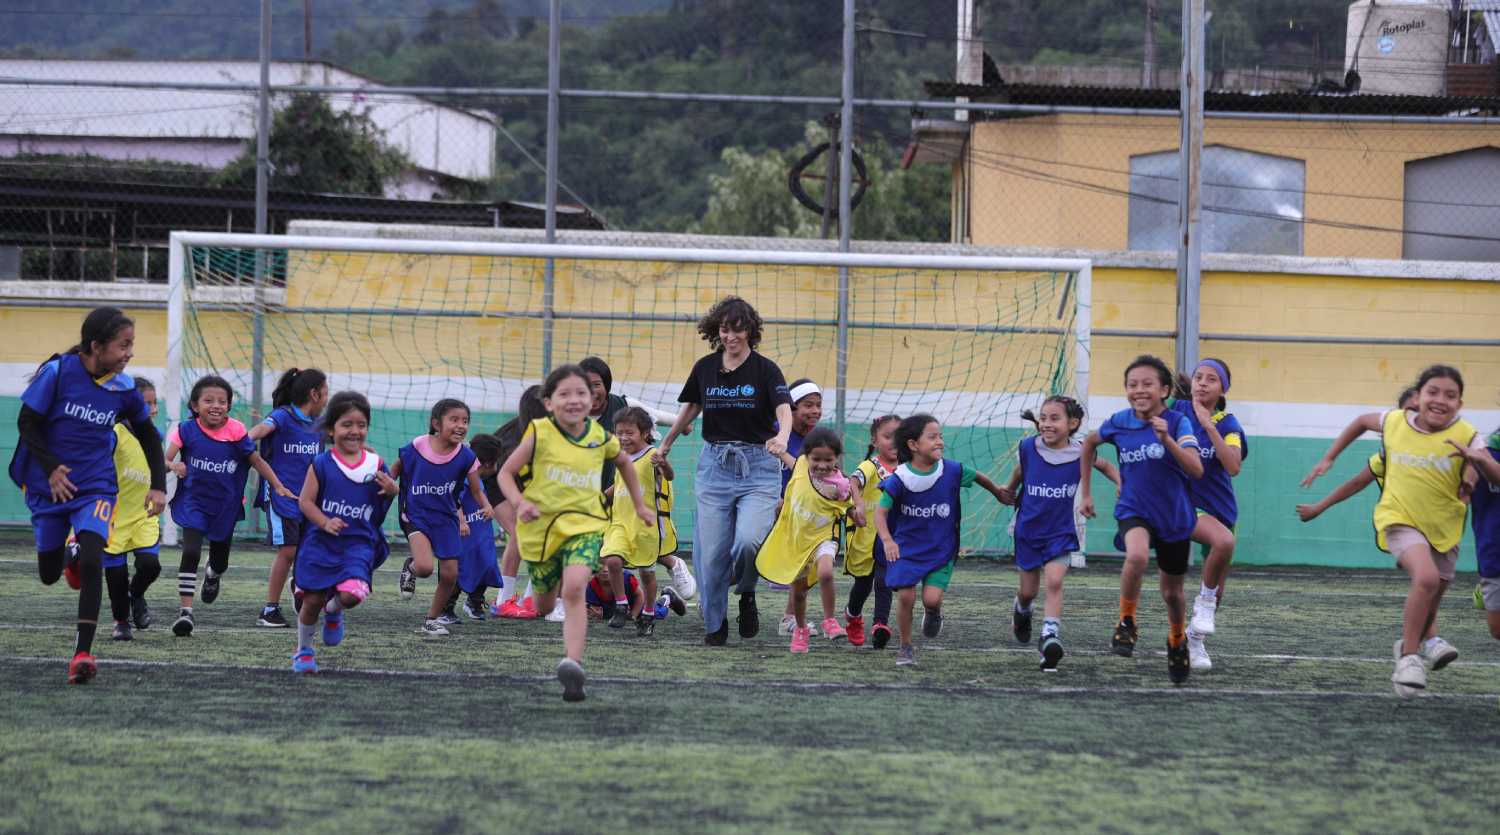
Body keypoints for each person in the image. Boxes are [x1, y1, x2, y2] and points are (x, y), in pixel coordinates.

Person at [1300, 365, 1479, 698]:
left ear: (1460, 403)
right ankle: (1411, 656)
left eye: (1450, 395)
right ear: (1416, 400)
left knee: (1434, 591)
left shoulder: (1465, 435)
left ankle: (1419, 642)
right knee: (1424, 578)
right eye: (1431, 394)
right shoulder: (1392, 432)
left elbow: (1477, 460)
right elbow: (1356, 467)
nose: (1439, 401)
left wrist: (1470, 477)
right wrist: (1328, 459)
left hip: (1444, 527)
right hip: (1399, 520)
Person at [10, 307, 166, 683]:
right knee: (49, 574)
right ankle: (68, 556)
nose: (129, 353)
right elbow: (26, 421)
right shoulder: (58, 372)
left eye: (132, 345)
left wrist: (159, 486)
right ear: (96, 346)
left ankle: (83, 652)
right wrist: (50, 468)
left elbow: (147, 435)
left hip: (96, 485)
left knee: (96, 555)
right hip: (49, 485)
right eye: (123, 345)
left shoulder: (123, 387)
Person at [499, 364, 654, 702]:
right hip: (542, 532)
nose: (574, 400)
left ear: (593, 399)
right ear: (549, 402)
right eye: (564, 394)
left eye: (581, 393)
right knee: (542, 604)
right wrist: (519, 501)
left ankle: (572, 663)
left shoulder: (600, 436)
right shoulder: (539, 433)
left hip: (585, 527)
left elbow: (626, 463)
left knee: (573, 590)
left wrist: (641, 506)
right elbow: (506, 474)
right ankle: (544, 603)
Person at [659, 296, 792, 646]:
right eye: (724, 329)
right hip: (714, 467)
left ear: (750, 331)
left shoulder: (766, 370)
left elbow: (784, 409)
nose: (730, 336)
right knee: (713, 554)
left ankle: (747, 592)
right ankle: (716, 624)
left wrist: (783, 436)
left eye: (737, 329)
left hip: (759, 467)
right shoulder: (705, 368)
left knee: (749, 541)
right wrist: (667, 442)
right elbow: (691, 408)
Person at [1080, 355, 1205, 685]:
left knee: (1172, 594)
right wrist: (1087, 493)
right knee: (1135, 555)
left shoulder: (1178, 423)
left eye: (1147, 384)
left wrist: (1167, 441)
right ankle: (1126, 622)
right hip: (1134, 509)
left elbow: (1196, 469)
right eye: (1132, 385)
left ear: (1164, 390)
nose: (1139, 390)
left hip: (1174, 517)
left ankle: (1177, 638)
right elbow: (1089, 444)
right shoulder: (1119, 422)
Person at [873, 414, 1008, 667]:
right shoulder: (900, 478)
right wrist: (888, 540)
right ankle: (905, 646)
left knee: (931, 599)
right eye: (932, 437)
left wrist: (998, 492)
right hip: (906, 550)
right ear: (913, 445)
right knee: (906, 597)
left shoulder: (952, 470)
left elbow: (977, 476)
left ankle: (933, 612)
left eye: (941, 436)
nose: (940, 442)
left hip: (940, 549)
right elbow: (880, 512)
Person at [166, 375, 294, 637]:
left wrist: (278, 486)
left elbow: (257, 461)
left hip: (224, 504)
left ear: (229, 405)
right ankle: (186, 613)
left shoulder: (236, 431)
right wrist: (173, 465)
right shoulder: (185, 430)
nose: (216, 405)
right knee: (190, 551)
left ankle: (213, 574)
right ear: (194, 405)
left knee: (220, 561)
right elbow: (163, 458)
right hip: (194, 502)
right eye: (209, 400)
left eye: (222, 401)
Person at [999, 397, 1119, 670]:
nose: (1046, 424)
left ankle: (1049, 636)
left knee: (1054, 581)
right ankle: (1022, 611)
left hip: (1060, 531)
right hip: (1027, 531)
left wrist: (1122, 484)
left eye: (1054, 418)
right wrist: (1009, 488)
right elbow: (1020, 471)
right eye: (1043, 418)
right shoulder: (1029, 447)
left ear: (1072, 424)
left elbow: (1108, 467)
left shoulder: (1080, 452)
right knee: (1028, 592)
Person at [290, 391, 398, 674]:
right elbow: (305, 502)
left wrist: (391, 492)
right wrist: (324, 522)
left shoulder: (376, 465)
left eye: (361, 425)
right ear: (331, 429)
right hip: (321, 544)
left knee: (352, 595)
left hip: (357, 544)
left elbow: (382, 502)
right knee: (312, 600)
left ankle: (335, 609)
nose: (354, 431)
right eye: (346, 424)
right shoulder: (322, 463)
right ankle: (303, 650)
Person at [1167, 359, 1248, 672]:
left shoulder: (1228, 424)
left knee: (1215, 592)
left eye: (1211, 379)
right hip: (1184, 503)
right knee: (1224, 543)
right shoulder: (1177, 410)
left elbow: (1233, 466)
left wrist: (1208, 424)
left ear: (1223, 388)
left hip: (1220, 509)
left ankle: (1194, 640)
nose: (1202, 383)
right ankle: (1198, 612)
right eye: (1198, 377)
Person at [391, 398, 493, 637]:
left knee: (450, 574)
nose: (461, 425)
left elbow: (476, 489)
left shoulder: (466, 457)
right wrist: (384, 484)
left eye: (465, 421)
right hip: (415, 514)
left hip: (446, 518)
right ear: (436, 423)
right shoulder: (417, 446)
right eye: (454, 420)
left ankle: (431, 620)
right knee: (426, 567)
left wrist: (487, 505)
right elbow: (394, 470)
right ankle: (412, 567)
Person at [757, 428, 866, 652]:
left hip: (823, 537)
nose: (822, 465)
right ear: (807, 456)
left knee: (826, 572)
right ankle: (800, 629)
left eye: (829, 459)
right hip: (797, 540)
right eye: (816, 459)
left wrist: (858, 515)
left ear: (837, 458)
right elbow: (785, 456)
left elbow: (846, 508)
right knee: (799, 592)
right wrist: (774, 446)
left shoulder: (841, 485)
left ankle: (829, 620)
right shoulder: (800, 466)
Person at [249, 367, 328, 628]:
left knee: (309, 549)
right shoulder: (282, 416)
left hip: (309, 498)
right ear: (314, 394)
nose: (328, 398)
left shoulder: (319, 424)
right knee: (289, 550)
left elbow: (336, 440)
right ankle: (269, 609)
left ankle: (300, 587)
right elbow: (263, 428)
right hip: (282, 494)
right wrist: (245, 437)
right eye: (326, 393)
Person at [599, 407, 685, 635]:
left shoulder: (652, 456)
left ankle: (648, 613)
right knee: (612, 560)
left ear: (645, 433)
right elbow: (618, 485)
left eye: (629, 433)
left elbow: (670, 476)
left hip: (646, 527)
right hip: (620, 522)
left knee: (647, 573)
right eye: (620, 433)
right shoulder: (621, 457)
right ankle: (621, 604)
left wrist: (664, 464)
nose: (624, 438)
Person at [99, 376, 165, 640]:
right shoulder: (115, 433)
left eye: (154, 402)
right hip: (115, 514)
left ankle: (135, 595)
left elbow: (151, 463)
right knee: (115, 572)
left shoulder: (153, 435)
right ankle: (121, 621)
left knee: (150, 566)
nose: (152, 409)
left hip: (144, 512)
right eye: (146, 403)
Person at [776, 379, 831, 637]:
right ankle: (711, 595)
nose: (815, 411)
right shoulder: (776, 431)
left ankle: (790, 619)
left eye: (818, 405)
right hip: (770, 506)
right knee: (747, 565)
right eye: (808, 405)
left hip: (799, 513)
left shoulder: (817, 439)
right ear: (792, 408)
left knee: (808, 565)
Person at [842, 414, 900, 648]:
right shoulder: (870, 466)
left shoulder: (907, 469)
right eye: (888, 436)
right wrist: (858, 505)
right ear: (875, 441)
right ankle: (853, 615)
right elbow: (853, 482)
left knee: (883, 578)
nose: (894, 441)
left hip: (889, 537)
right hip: (865, 534)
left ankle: (880, 624)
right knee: (863, 584)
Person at [493, 385, 548, 619]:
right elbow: (502, 474)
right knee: (520, 534)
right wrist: (519, 503)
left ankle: (529, 599)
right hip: (494, 487)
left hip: (524, 490)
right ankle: (503, 600)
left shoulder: (552, 434)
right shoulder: (516, 439)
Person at [450, 433, 506, 620]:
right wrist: (462, 521)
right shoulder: (464, 478)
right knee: (461, 569)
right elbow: (454, 499)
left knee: (488, 566)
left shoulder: (481, 481)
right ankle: (447, 607)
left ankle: (474, 601)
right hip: (466, 535)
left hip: (482, 534)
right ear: (489, 463)